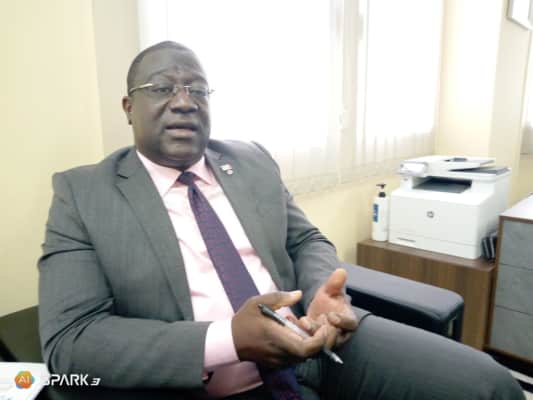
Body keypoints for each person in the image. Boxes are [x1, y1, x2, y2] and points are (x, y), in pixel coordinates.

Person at [38, 41, 524, 400]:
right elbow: (69, 342)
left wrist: (321, 293)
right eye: (162, 88)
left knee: (489, 385)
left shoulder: (249, 160)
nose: (185, 101)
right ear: (129, 107)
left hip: (321, 346)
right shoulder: (83, 194)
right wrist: (229, 339)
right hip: (205, 384)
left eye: (198, 89)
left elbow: (305, 239)